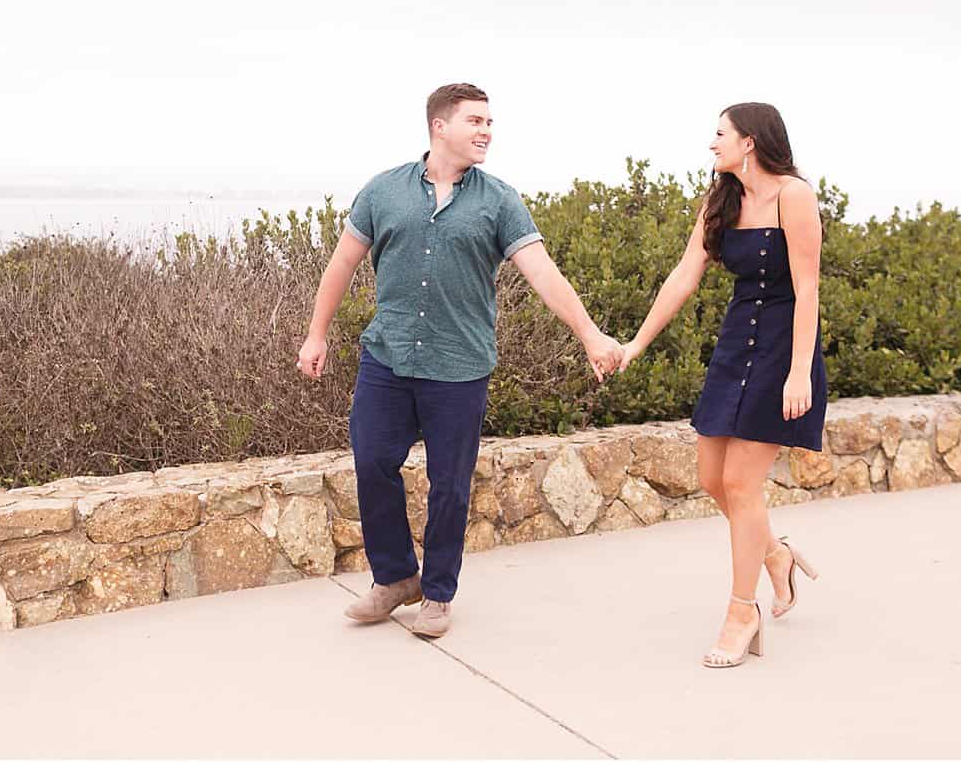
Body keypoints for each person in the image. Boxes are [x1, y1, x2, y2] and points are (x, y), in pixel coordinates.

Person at [297, 82, 623, 638]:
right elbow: (342, 264)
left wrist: (590, 334)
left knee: (451, 483)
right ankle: (397, 577)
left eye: (489, 123)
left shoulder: (498, 200)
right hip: (388, 357)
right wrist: (315, 333)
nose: (486, 131)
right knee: (373, 460)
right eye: (475, 121)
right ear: (438, 126)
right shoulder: (383, 192)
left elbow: (542, 273)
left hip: (460, 366)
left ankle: (439, 593)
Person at [617, 102, 827, 668]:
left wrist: (800, 370)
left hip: (784, 351)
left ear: (750, 143)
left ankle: (742, 612)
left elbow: (807, 290)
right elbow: (685, 275)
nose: (712, 145)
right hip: (736, 347)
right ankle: (776, 555)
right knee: (713, 480)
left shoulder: (794, 196)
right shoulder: (720, 199)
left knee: (740, 483)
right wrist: (636, 343)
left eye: (720, 135)